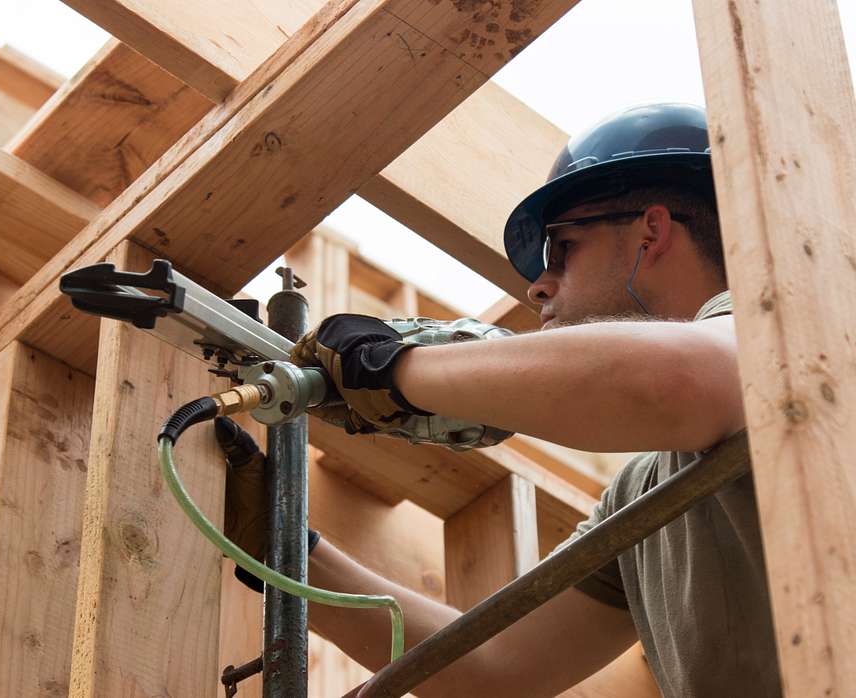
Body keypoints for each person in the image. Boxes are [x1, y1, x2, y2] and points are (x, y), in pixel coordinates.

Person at [218, 104, 781, 697]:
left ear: (651, 232)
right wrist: (283, 551)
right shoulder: (643, 494)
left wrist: (396, 368)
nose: (539, 285)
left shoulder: (796, 325)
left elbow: (673, 382)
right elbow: (494, 666)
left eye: (562, 249)